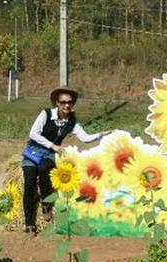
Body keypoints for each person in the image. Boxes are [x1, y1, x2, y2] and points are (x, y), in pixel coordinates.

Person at [21, 87, 105, 233]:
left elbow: (85, 138)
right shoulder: (46, 114)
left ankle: (46, 205)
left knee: (44, 170)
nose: (67, 105)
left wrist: (101, 135)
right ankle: (29, 223)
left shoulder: (71, 120)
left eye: (70, 102)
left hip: (48, 155)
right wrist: (53, 145)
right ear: (57, 103)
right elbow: (33, 133)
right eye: (63, 102)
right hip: (32, 152)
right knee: (29, 182)